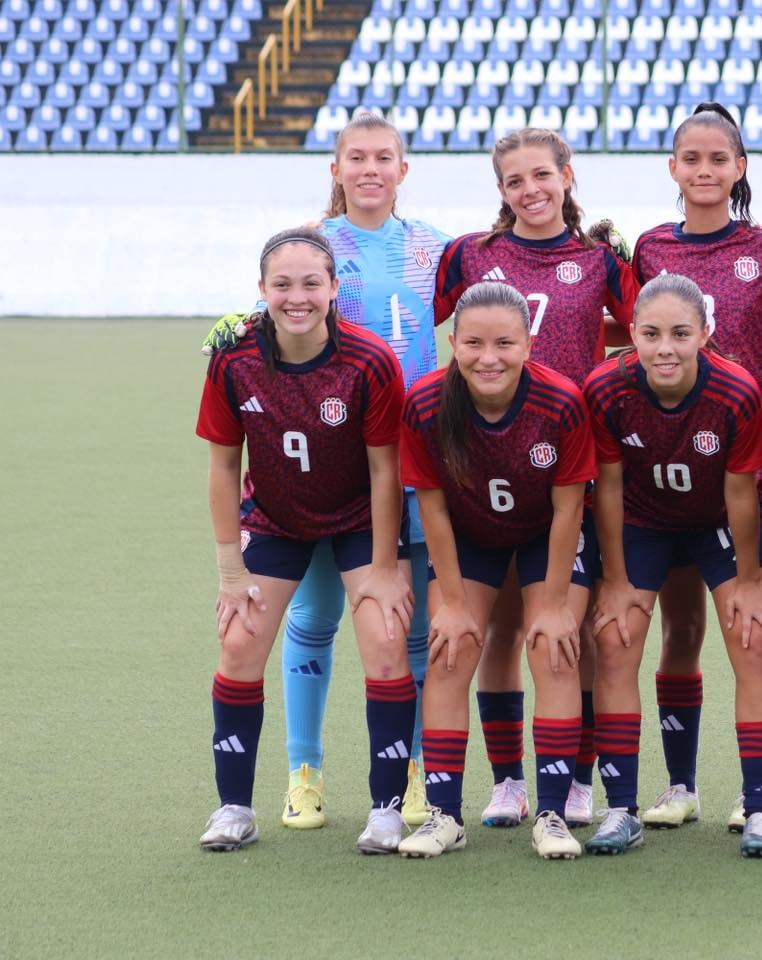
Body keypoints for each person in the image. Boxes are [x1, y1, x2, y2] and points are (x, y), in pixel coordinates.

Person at [201, 112, 448, 831]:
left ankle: (413, 771)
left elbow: (515, 296)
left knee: (405, 626)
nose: (370, 169)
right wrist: (235, 320)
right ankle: (303, 771)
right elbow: (280, 315)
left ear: (404, 169)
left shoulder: (434, 247)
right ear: (335, 169)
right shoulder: (317, 245)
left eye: (384, 157)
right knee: (311, 617)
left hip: (402, 458)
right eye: (356, 158)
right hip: (309, 465)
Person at [433, 128, 639, 831]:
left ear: (567, 176)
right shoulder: (471, 255)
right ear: (501, 190)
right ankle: (507, 782)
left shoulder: (597, 259)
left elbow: (647, 329)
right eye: (516, 180)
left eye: (543, 175)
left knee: (566, 630)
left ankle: (576, 778)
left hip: (567, 466)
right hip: (482, 465)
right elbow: (405, 313)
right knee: (498, 631)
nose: (531, 189)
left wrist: (592, 351)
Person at [629, 103, 762, 831]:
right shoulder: (647, 249)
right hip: (667, 460)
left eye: (720, 159)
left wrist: (745, 381)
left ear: (739, 168)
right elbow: (633, 342)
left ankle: (758, 790)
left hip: (754, 455)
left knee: (754, 626)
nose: (705, 170)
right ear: (674, 168)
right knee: (680, 629)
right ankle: (680, 786)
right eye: (692, 159)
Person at [195, 227, 415, 854]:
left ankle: (386, 811)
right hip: (273, 520)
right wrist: (229, 571)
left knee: (385, 636)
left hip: (357, 522)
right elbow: (221, 468)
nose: (297, 297)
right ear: (261, 290)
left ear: (334, 289)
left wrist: (381, 566)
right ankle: (234, 808)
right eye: (282, 285)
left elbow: (384, 470)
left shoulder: (369, 360)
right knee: (237, 642)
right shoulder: (233, 361)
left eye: (311, 283)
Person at [395, 281, 597, 860]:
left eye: (505, 343)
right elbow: (430, 505)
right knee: (451, 649)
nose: (489, 357)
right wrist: (454, 604)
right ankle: (444, 816)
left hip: (545, 535)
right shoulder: (428, 403)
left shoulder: (560, 401)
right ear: (453, 343)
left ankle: (554, 815)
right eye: (474, 343)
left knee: (552, 646)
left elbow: (567, 508)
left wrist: (556, 604)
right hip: (470, 538)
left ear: (529, 345)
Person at [583, 274, 762, 857]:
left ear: (705, 334)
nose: (664, 347)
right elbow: (610, 487)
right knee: (617, 640)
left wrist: (748, 582)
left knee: (752, 640)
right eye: (649, 334)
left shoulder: (736, 391)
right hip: (642, 521)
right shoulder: (606, 389)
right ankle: (621, 809)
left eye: (678, 333)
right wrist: (616, 581)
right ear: (633, 336)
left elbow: (743, 494)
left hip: (715, 520)